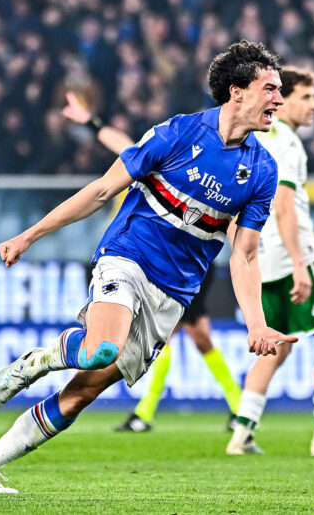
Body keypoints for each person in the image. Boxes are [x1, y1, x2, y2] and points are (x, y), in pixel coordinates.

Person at [0, 41, 293, 494]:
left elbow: (245, 254)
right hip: (127, 256)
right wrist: (28, 236)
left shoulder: (262, 170)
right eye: (270, 88)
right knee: (101, 349)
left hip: (174, 292)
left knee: (81, 393)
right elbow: (101, 191)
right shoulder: (177, 133)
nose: (279, 99)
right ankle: (36, 362)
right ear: (237, 91)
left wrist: (257, 323)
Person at [59, 92, 244, 432]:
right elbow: (121, 144)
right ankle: (236, 408)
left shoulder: (180, 165)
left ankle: (147, 415)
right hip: (158, 257)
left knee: (173, 337)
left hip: (173, 260)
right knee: (197, 337)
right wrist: (90, 122)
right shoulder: (154, 157)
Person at [226, 66, 314, 457]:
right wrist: (300, 263)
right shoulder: (286, 141)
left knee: (276, 345)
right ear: (282, 99)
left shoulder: (255, 139)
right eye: (306, 96)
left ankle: (242, 432)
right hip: (292, 254)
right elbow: (285, 204)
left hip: (260, 255)